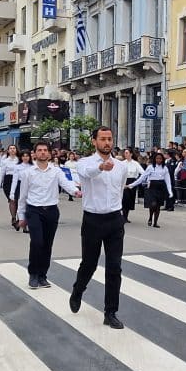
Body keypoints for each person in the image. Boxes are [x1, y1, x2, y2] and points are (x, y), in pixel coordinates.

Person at [70, 127, 128, 328]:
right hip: (93, 219)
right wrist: (101, 168)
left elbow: (119, 189)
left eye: (110, 139)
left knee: (114, 267)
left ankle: (110, 312)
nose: (107, 143)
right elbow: (86, 174)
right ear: (94, 141)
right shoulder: (84, 163)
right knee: (89, 263)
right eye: (102, 139)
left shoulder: (121, 166)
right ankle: (78, 289)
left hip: (114, 219)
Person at [16, 141, 82, 289]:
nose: (43, 153)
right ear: (35, 154)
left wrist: (75, 191)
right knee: (37, 242)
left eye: (45, 150)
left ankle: (42, 276)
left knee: (47, 244)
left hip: (51, 211)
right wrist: (21, 216)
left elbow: (66, 183)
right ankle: (33, 274)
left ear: (50, 153)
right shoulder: (28, 173)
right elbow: (23, 196)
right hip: (34, 211)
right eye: (39, 150)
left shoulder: (56, 171)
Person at [128, 151, 174, 227]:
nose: (158, 160)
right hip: (152, 187)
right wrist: (132, 185)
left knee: (158, 206)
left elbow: (168, 180)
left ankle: (155, 222)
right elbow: (142, 178)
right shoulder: (150, 167)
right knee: (153, 204)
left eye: (160, 158)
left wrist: (170, 191)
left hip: (160, 187)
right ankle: (150, 217)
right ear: (154, 159)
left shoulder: (165, 168)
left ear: (162, 159)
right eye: (157, 158)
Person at [121, 148, 143, 222]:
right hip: (124, 182)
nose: (125, 154)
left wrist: (139, 180)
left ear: (131, 154)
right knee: (124, 199)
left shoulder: (135, 163)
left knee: (129, 200)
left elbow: (142, 172)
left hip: (132, 182)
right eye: (125, 153)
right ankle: (123, 216)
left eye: (127, 153)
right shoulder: (122, 163)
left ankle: (126, 217)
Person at [1, 145, 21, 228]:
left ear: (16, 150)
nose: (12, 150)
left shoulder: (20, 160)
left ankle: (20, 218)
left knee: (18, 200)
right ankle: (13, 217)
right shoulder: (5, 161)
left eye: (14, 148)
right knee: (12, 200)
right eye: (11, 148)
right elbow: (2, 173)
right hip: (8, 180)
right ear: (8, 151)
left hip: (19, 180)